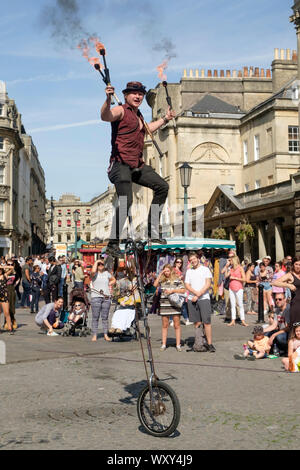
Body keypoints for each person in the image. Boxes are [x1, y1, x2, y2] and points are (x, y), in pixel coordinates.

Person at [101, 81, 175, 256]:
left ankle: (152, 231)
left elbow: (147, 129)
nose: (138, 96)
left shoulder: (138, 116)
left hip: (136, 165)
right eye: (134, 93)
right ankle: (113, 244)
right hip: (120, 164)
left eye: (140, 94)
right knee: (127, 200)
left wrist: (165, 119)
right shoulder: (121, 110)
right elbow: (105, 116)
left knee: (162, 186)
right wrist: (107, 99)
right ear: (126, 95)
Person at [185, 252, 216, 352]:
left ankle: (210, 343)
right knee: (197, 322)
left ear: (198, 258)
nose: (193, 261)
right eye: (191, 260)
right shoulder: (189, 271)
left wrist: (198, 295)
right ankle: (199, 342)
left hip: (204, 298)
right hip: (192, 298)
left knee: (207, 322)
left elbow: (208, 284)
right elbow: (187, 285)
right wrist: (195, 294)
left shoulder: (205, 269)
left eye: (194, 259)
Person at [154, 264, 185, 351]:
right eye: (165, 271)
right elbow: (155, 285)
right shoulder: (162, 280)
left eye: (168, 271)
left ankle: (178, 345)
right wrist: (160, 274)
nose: (166, 273)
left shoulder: (176, 279)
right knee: (165, 325)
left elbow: (183, 290)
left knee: (177, 325)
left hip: (175, 305)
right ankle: (164, 344)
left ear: (171, 271)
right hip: (164, 304)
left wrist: (173, 291)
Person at [90, 258, 116, 342]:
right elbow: (93, 271)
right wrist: (97, 261)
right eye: (99, 265)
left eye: (102, 264)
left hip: (106, 297)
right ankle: (94, 335)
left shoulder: (107, 273)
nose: (101, 266)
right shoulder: (94, 274)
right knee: (95, 317)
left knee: (105, 317)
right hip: (96, 296)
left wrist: (109, 284)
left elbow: (114, 279)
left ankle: (105, 334)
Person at [272, 256, 300, 329]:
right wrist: (288, 285)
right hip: (296, 306)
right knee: (295, 329)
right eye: (296, 264)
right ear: (293, 265)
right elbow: (274, 282)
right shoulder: (290, 275)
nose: (298, 266)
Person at [226, 255, 248, 327]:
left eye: (231, 260)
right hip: (231, 287)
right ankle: (233, 320)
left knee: (240, 304)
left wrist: (235, 278)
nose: (230, 262)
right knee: (232, 305)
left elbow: (244, 279)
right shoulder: (231, 268)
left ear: (234, 260)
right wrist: (227, 267)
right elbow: (226, 276)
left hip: (239, 287)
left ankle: (243, 320)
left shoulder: (240, 268)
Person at [0, 263, 15, 334]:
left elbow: (12, 267)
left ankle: (10, 328)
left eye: (0, 270)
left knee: (6, 312)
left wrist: (2, 266)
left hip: (4, 295)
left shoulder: (4, 275)